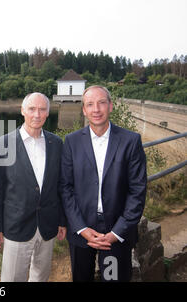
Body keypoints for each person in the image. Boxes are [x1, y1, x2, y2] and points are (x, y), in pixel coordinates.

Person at [59, 85, 147, 282]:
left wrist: (117, 231)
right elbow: (65, 187)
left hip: (116, 230)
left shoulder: (130, 141)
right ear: (84, 110)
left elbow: (137, 191)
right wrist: (81, 228)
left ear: (111, 106)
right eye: (90, 104)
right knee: (82, 278)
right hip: (82, 230)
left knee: (113, 279)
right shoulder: (71, 142)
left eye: (101, 103)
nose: (96, 109)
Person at [0, 92, 67, 282]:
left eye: (42, 109)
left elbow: (61, 186)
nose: (37, 114)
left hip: (48, 225)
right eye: (32, 109)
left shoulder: (56, 143)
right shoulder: (5, 144)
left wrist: (62, 220)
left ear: (48, 113)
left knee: (41, 276)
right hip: (17, 226)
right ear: (22, 110)